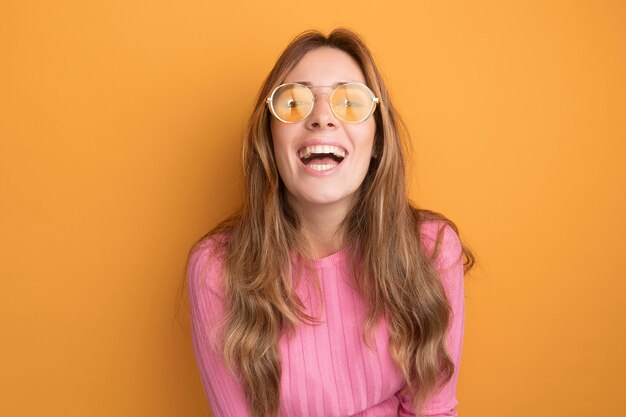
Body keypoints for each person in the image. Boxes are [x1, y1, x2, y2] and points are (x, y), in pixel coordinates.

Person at [187, 28, 475, 417]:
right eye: (294, 102)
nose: (322, 118)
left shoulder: (431, 250)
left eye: (349, 102)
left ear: (377, 142)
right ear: (270, 142)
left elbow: (433, 410)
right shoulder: (218, 270)